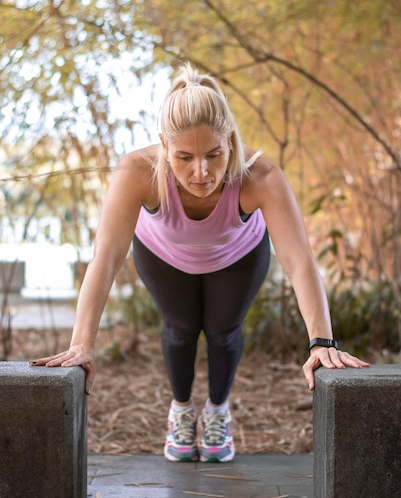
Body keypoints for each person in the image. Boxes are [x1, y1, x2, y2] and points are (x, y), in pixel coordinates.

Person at [30, 63, 369, 463]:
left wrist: (322, 342)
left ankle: (217, 412)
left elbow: (299, 262)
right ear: (163, 145)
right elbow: (105, 259)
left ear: (230, 140)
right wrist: (82, 343)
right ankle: (181, 410)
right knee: (181, 329)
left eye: (214, 154)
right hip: (163, 254)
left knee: (224, 331)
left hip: (238, 254)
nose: (201, 171)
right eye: (185, 157)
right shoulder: (138, 170)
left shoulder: (260, 177)